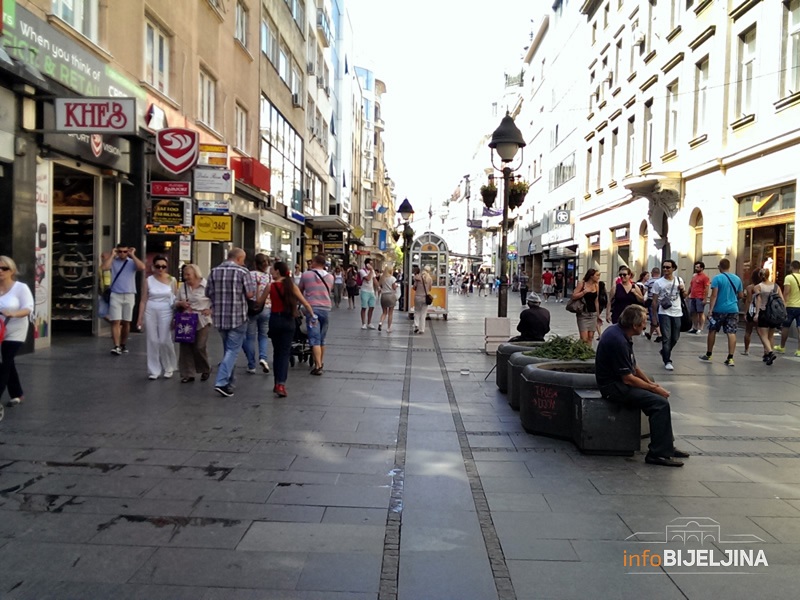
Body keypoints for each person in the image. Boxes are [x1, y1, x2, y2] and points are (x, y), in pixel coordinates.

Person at [596, 305, 691, 467]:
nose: (646, 325)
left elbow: (634, 366)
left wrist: (650, 383)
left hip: (618, 382)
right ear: (634, 325)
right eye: (644, 322)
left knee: (658, 399)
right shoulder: (618, 340)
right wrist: (654, 389)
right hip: (613, 388)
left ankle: (665, 446)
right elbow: (628, 379)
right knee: (659, 404)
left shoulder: (620, 333)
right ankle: (657, 454)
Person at [205, 248, 255, 397]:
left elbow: (208, 292)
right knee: (232, 350)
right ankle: (221, 381)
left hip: (220, 317)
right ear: (239, 258)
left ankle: (229, 383)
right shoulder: (242, 272)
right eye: (243, 259)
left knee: (228, 350)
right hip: (237, 317)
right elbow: (250, 294)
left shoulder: (214, 271)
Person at [269, 261, 315, 397]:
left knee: (277, 352)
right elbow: (305, 302)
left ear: (277, 271)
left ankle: (276, 382)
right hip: (289, 321)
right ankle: (281, 384)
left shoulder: (270, 286)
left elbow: (259, 302)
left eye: (272, 269)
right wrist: (312, 316)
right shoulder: (292, 286)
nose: (270, 271)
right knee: (284, 353)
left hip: (274, 320)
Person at [0, 256, 34, 410]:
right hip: (0, 331)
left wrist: (13, 314)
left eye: (4, 268)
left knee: (4, 362)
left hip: (15, 330)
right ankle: (17, 394)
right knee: (8, 363)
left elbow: (28, 308)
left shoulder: (20, 288)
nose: (0, 271)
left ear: (12, 270)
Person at [137, 255, 178, 380]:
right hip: (151, 309)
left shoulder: (172, 280)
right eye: (158, 266)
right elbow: (143, 299)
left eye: (163, 266)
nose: (161, 269)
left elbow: (175, 299)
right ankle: (154, 369)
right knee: (152, 340)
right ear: (153, 267)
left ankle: (169, 366)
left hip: (166, 309)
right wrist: (139, 318)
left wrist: (175, 317)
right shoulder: (148, 280)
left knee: (165, 340)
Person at [101, 243, 145, 355]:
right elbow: (104, 267)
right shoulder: (113, 261)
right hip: (116, 293)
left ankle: (123, 344)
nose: (122, 254)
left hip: (129, 294)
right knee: (115, 321)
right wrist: (112, 255)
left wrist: (133, 255)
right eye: (120, 251)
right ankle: (116, 346)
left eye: (125, 251)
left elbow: (142, 267)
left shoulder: (131, 262)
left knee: (126, 322)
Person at [697, 258, 743, 367]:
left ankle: (709, 354)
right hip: (733, 309)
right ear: (729, 266)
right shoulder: (737, 279)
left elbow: (714, 295)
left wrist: (711, 310)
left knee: (712, 330)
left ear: (719, 267)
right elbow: (741, 295)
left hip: (718, 309)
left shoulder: (717, 278)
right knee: (731, 332)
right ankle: (730, 358)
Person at [174, 264, 213, 383]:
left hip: (202, 319)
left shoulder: (206, 286)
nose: (186, 277)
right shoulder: (183, 287)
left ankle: (205, 368)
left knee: (200, 346)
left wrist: (210, 310)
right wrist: (180, 304)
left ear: (196, 274)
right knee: (185, 346)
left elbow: (216, 300)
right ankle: (187, 373)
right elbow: (175, 301)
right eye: (185, 274)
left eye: (188, 274)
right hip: (186, 319)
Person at [299, 254, 334, 375]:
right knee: (322, 338)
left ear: (314, 262)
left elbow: (300, 290)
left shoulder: (306, 275)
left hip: (312, 309)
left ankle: (318, 366)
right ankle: (320, 362)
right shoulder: (330, 277)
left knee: (314, 338)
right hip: (326, 308)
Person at [651, 259, 685, 371]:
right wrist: (654, 317)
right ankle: (667, 360)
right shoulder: (658, 283)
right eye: (664, 267)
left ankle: (664, 351)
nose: (665, 269)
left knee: (675, 337)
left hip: (677, 312)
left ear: (674, 268)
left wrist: (682, 290)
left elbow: (684, 296)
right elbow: (654, 301)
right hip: (664, 312)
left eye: (668, 267)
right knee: (666, 337)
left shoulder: (679, 280)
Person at [243, 254, 272, 375]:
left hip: (251, 308)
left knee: (250, 337)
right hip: (265, 308)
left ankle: (251, 365)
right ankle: (263, 358)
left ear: (255, 263)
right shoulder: (269, 277)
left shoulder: (249, 275)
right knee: (263, 335)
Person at [754, 268, 784, 366]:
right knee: (770, 335)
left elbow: (758, 300)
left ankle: (770, 352)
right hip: (773, 314)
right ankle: (766, 354)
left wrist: (757, 313)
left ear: (760, 276)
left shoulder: (758, 287)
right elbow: (782, 300)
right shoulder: (776, 286)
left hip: (763, 312)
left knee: (763, 335)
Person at [775, 260, 800, 357]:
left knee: (785, 327)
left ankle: (782, 347)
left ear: (792, 267)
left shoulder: (789, 278)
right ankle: (799, 350)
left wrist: (783, 304)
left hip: (790, 306)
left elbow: (786, 293)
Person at [571, 269, 601, 345]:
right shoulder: (582, 284)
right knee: (584, 338)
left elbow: (596, 301)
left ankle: (588, 353)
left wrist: (598, 315)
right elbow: (573, 296)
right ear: (591, 276)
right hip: (583, 314)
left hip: (593, 314)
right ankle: (583, 353)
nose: (598, 277)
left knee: (591, 337)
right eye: (597, 275)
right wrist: (584, 292)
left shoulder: (596, 285)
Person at [741, 269, 761, 356]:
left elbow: (748, 301)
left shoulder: (750, 287)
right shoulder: (764, 287)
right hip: (762, 310)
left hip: (752, 310)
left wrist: (745, 312)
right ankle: (766, 350)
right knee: (761, 332)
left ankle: (746, 350)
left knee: (748, 331)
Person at [688, 261, 710, 334]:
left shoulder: (705, 277)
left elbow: (706, 288)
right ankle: (695, 327)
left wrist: (705, 298)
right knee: (693, 313)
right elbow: (691, 286)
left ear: (702, 268)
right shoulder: (694, 276)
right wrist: (687, 294)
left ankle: (701, 327)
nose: (696, 268)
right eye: (695, 267)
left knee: (700, 313)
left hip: (700, 297)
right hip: (693, 297)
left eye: (697, 267)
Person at [413, 265, 434, 334]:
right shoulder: (430, 279)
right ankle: (421, 329)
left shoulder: (418, 277)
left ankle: (416, 325)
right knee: (423, 313)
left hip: (418, 296)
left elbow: (414, 287)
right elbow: (430, 289)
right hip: (425, 297)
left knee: (417, 311)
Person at [378, 265, 398, 333]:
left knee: (384, 312)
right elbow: (394, 287)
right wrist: (397, 285)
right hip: (391, 296)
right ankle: (388, 328)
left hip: (383, 296)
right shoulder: (392, 278)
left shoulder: (382, 278)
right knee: (390, 313)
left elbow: (380, 286)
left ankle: (380, 323)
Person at [359, 258, 378, 329]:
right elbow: (368, 278)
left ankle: (369, 322)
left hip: (371, 291)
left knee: (372, 307)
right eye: (370, 263)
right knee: (364, 307)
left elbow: (374, 279)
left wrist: (379, 287)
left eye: (372, 263)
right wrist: (371, 270)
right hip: (364, 291)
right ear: (366, 264)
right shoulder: (362, 271)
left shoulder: (372, 271)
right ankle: (363, 323)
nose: (371, 265)